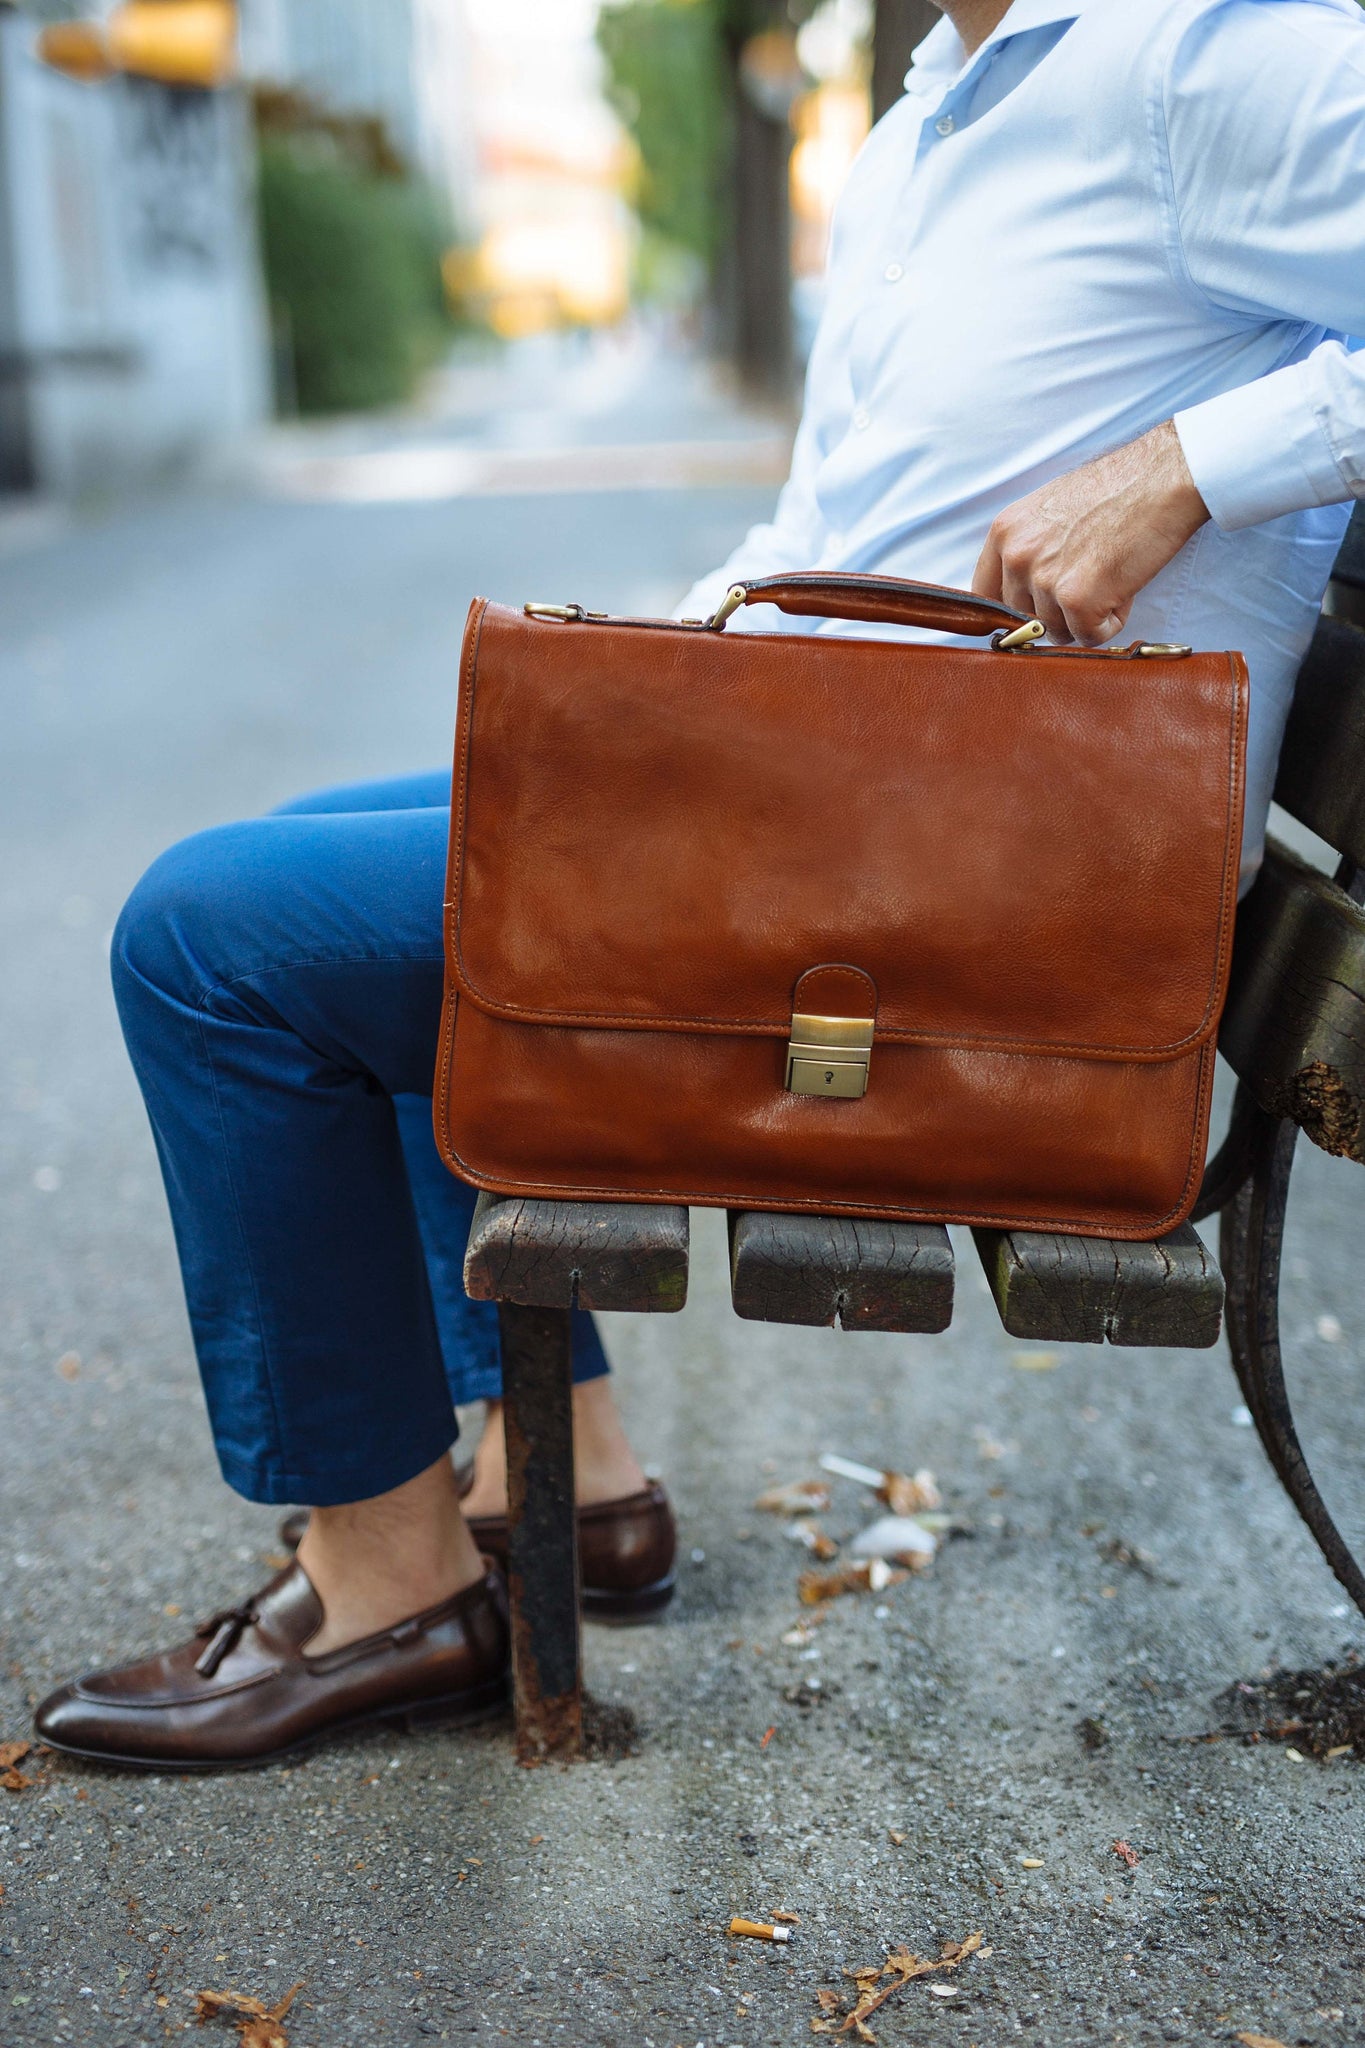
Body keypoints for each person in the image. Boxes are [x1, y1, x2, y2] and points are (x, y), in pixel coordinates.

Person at [37, 0, 1365, 1768]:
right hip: (838, 795)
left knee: (207, 941)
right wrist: (626, 704)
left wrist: (1188, 467)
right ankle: (570, 1474)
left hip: (981, 893)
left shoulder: (1204, 57)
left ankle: (387, 1590)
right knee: (344, 847)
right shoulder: (932, 113)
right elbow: (833, 530)